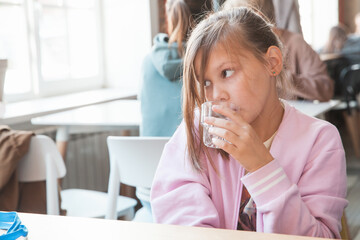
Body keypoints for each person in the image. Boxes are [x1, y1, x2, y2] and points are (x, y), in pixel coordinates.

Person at [151, 7, 347, 238]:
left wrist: (262, 166)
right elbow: (181, 220)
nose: (216, 95)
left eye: (226, 73)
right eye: (206, 83)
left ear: (272, 62)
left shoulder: (320, 141)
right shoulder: (197, 131)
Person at [139, 0, 212, 217]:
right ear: (209, 16)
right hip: (193, 194)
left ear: (169, 17)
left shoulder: (147, 61)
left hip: (147, 189)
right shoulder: (208, 63)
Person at [222, 0, 334, 102]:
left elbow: (326, 89)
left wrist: (281, 77)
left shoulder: (294, 43)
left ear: (259, 18)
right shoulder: (228, 49)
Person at [140, 0, 211, 137]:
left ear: (169, 19)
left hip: (148, 154)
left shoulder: (148, 61)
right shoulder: (206, 61)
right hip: (188, 152)